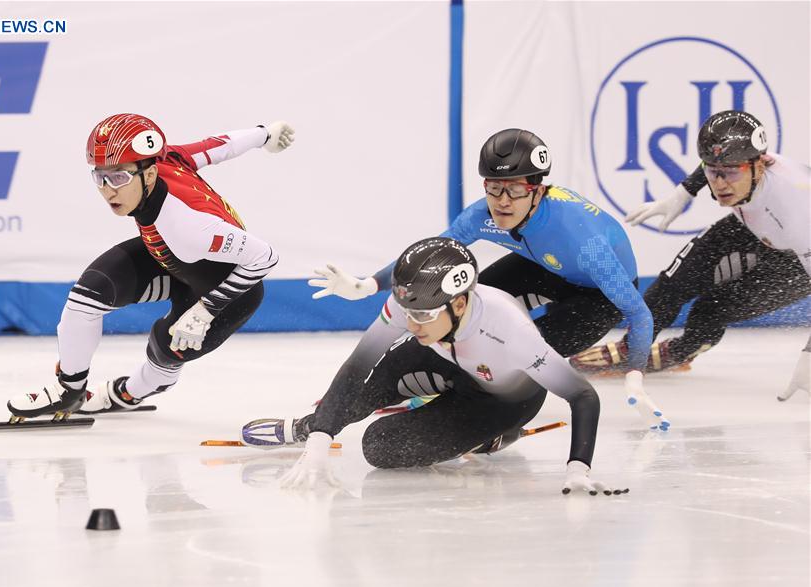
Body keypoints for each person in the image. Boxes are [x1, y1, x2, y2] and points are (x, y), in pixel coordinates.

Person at [307, 128, 666, 428]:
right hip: (544, 267)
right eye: (494, 188)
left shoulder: (583, 240)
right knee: (463, 306)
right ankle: (402, 382)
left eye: (514, 190)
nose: (502, 201)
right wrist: (367, 285)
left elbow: (639, 313)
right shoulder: (481, 215)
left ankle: (486, 419)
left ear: (538, 190)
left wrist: (635, 371)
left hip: (598, 297)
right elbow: (431, 258)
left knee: (522, 352)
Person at [242, 237, 628, 495]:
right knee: (386, 368)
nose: (410, 323)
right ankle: (311, 425)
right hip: (446, 355)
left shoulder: (510, 330)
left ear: (460, 303)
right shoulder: (416, 311)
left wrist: (578, 468)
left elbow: (582, 394)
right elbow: (358, 364)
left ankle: (489, 436)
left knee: (380, 447)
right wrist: (321, 439)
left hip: (501, 401)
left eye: (422, 314)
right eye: (406, 312)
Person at [7, 113, 294, 418]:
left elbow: (265, 256)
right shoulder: (168, 158)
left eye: (118, 177)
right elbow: (218, 146)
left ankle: (129, 393)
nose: (108, 190)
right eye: (99, 176)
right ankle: (69, 389)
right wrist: (264, 134)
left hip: (228, 290)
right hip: (171, 259)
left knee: (164, 348)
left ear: (150, 174)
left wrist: (206, 309)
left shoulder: (188, 226)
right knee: (88, 295)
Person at [571, 110, 810, 400]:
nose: (720, 183)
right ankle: (630, 348)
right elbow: (715, 162)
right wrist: (682, 194)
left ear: (760, 165)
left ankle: (682, 351)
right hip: (750, 228)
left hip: (796, 264)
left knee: (710, 311)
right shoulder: (742, 166)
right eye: (714, 172)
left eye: (731, 172)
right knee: (672, 285)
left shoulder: (797, 208)